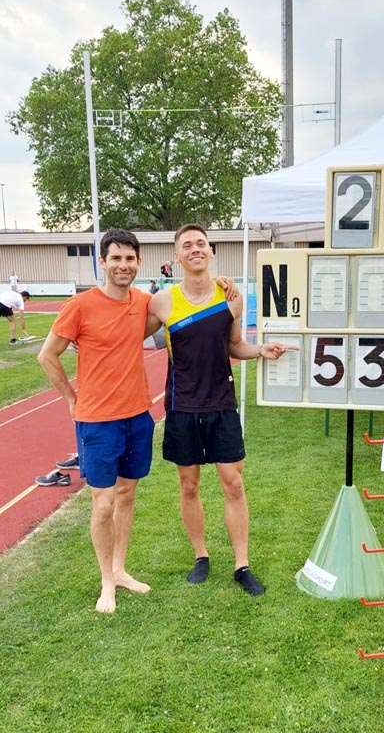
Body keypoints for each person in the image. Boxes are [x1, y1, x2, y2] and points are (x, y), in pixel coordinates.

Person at [38, 228, 237, 613]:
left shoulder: (145, 303)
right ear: (103, 261)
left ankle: (121, 569)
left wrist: (222, 283)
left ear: (138, 263)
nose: (123, 265)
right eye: (115, 258)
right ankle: (106, 583)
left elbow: (186, 304)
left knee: (127, 496)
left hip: (138, 417)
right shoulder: (80, 306)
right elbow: (48, 355)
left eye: (130, 259)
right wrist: (71, 399)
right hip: (97, 420)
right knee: (103, 506)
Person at [148, 223, 295, 596]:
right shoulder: (162, 302)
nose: (195, 249)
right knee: (189, 485)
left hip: (221, 405)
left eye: (201, 243)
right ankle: (201, 556)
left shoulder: (231, 297)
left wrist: (260, 350)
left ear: (211, 251)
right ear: (177, 257)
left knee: (233, 483)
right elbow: (128, 336)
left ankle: (241, 564)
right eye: (187, 245)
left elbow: (235, 345)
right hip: (182, 407)